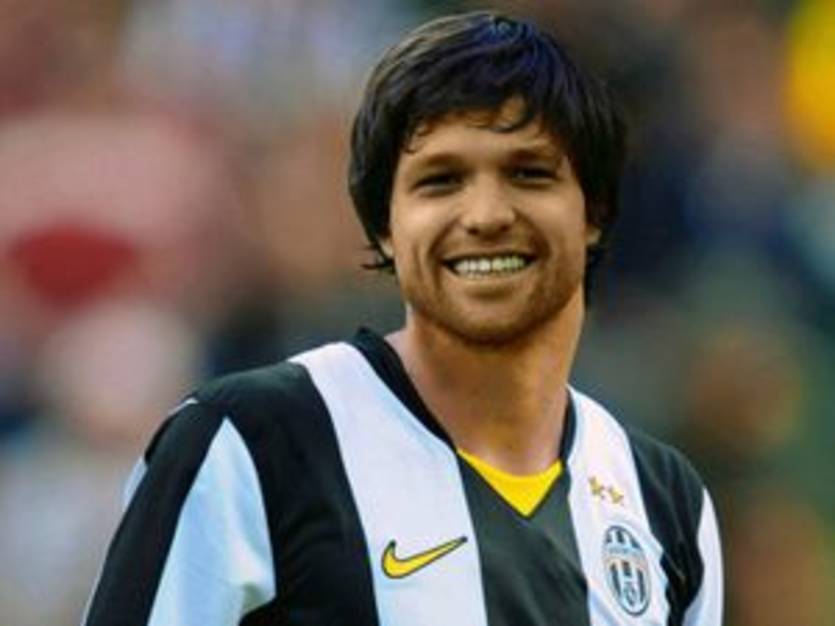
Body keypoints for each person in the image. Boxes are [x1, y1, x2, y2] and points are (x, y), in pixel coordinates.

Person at [82, 11, 722, 626]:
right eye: (441, 180)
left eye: (528, 173)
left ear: (594, 212)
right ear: (385, 226)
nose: (485, 215)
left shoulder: (665, 500)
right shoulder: (248, 442)